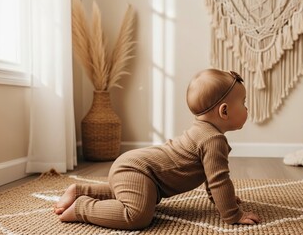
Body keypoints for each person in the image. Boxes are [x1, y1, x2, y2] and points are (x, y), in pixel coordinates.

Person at [54, 68, 260, 230]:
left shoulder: (204, 133)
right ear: (224, 111)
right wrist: (233, 214)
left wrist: (222, 199)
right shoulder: (213, 140)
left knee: (140, 196)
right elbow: (218, 180)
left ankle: (81, 190)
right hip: (138, 171)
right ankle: (82, 208)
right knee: (137, 216)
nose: (246, 108)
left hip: (138, 171)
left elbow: (211, 176)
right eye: (243, 103)